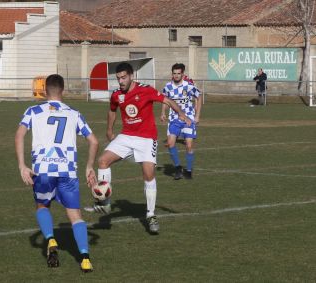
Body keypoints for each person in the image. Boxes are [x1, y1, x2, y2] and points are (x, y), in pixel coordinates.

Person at [85, 62, 191, 233]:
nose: (120, 81)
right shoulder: (117, 94)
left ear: (131, 75)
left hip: (147, 137)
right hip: (126, 135)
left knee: (148, 174)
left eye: (123, 77)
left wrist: (180, 113)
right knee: (103, 161)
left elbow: (167, 100)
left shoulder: (145, 90)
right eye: (118, 78)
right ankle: (104, 203)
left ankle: (151, 214)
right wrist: (109, 130)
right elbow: (112, 110)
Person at [15, 74, 98, 272]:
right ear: (63, 91)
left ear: (44, 91)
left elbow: (19, 135)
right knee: (76, 216)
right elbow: (94, 141)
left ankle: (51, 239)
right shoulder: (74, 113)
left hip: (42, 169)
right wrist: (89, 166)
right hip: (67, 170)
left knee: (42, 205)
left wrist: (22, 165)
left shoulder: (33, 110)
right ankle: (85, 258)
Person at [161, 63, 202, 180]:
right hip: (174, 118)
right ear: (172, 74)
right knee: (170, 144)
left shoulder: (188, 86)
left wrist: (197, 116)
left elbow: (199, 97)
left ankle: (188, 170)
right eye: (174, 73)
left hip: (188, 118)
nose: (176, 76)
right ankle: (178, 168)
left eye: (179, 73)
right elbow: (165, 100)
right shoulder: (168, 87)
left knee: (189, 146)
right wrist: (163, 112)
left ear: (183, 74)